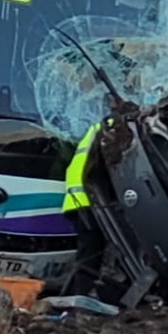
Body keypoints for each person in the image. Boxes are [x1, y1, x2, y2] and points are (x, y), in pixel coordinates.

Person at [61, 120, 108, 296]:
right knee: (90, 255)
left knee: (90, 251)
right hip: (86, 200)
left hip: (78, 199)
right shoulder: (111, 129)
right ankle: (77, 296)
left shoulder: (97, 127)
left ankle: (77, 294)